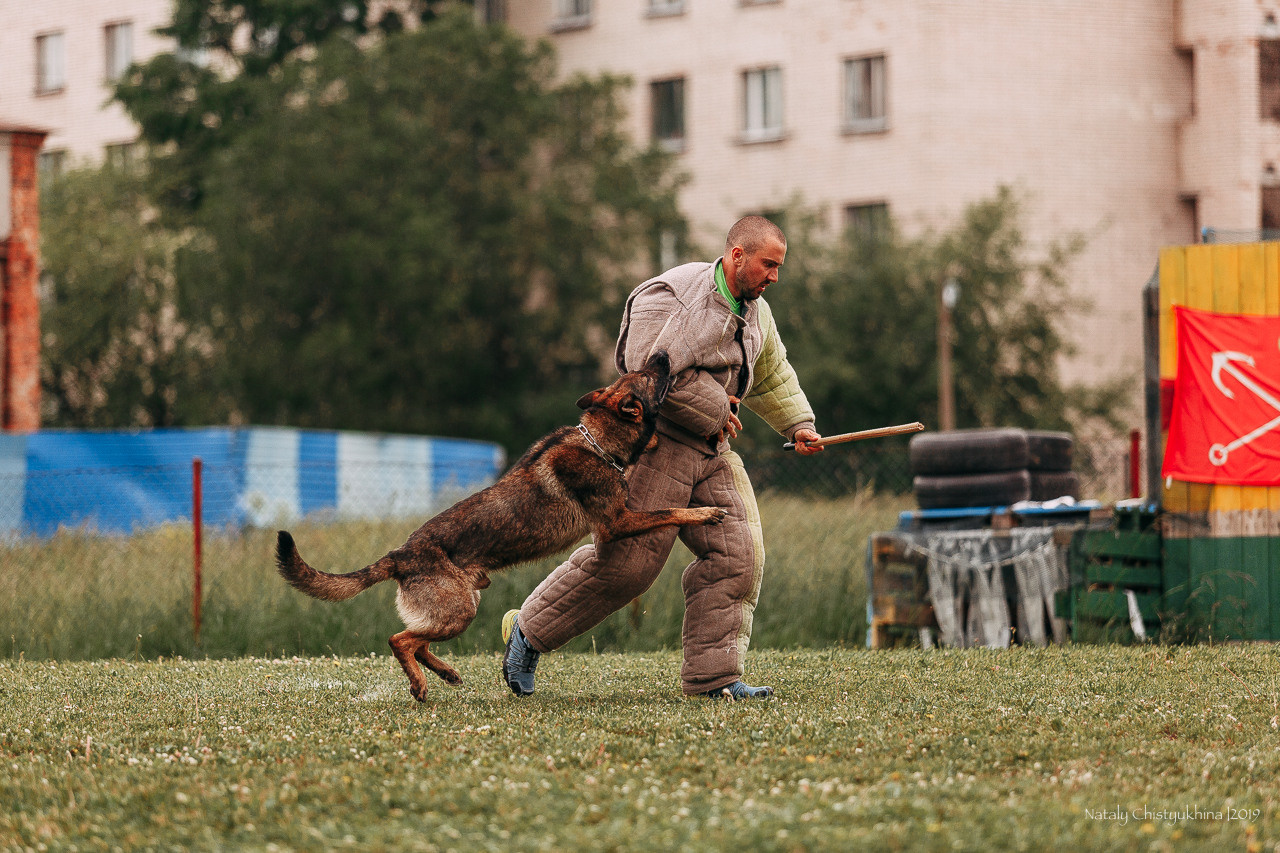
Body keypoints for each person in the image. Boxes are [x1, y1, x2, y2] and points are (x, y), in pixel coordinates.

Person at [502, 215, 823, 700]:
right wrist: (716, 407)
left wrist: (799, 424)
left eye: (779, 267)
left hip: (713, 453)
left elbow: (773, 373)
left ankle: (714, 680)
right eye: (769, 265)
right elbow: (642, 372)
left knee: (737, 557)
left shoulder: (757, 310)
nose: (775, 276)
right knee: (628, 567)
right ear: (737, 255)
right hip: (656, 449)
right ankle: (527, 632)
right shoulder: (671, 295)